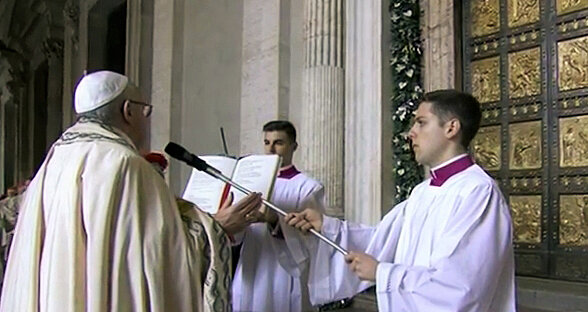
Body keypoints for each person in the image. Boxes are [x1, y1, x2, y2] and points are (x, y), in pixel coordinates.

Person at [0, 70, 262, 312]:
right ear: (128, 111)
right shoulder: (124, 163)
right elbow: (156, 257)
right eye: (146, 111)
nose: (147, 122)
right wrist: (217, 227)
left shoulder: (55, 158)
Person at [286, 90, 516, 311]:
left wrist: (383, 274)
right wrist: (325, 227)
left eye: (421, 122)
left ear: (451, 128)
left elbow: (462, 285)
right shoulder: (422, 191)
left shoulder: (477, 192)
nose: (411, 133)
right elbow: (381, 241)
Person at [232, 121, 325, 312]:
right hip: (252, 259)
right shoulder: (252, 184)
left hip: (284, 268)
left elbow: (310, 237)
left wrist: (274, 220)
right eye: (267, 143)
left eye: (278, 143)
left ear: (294, 146)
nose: (271, 149)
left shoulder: (308, 187)